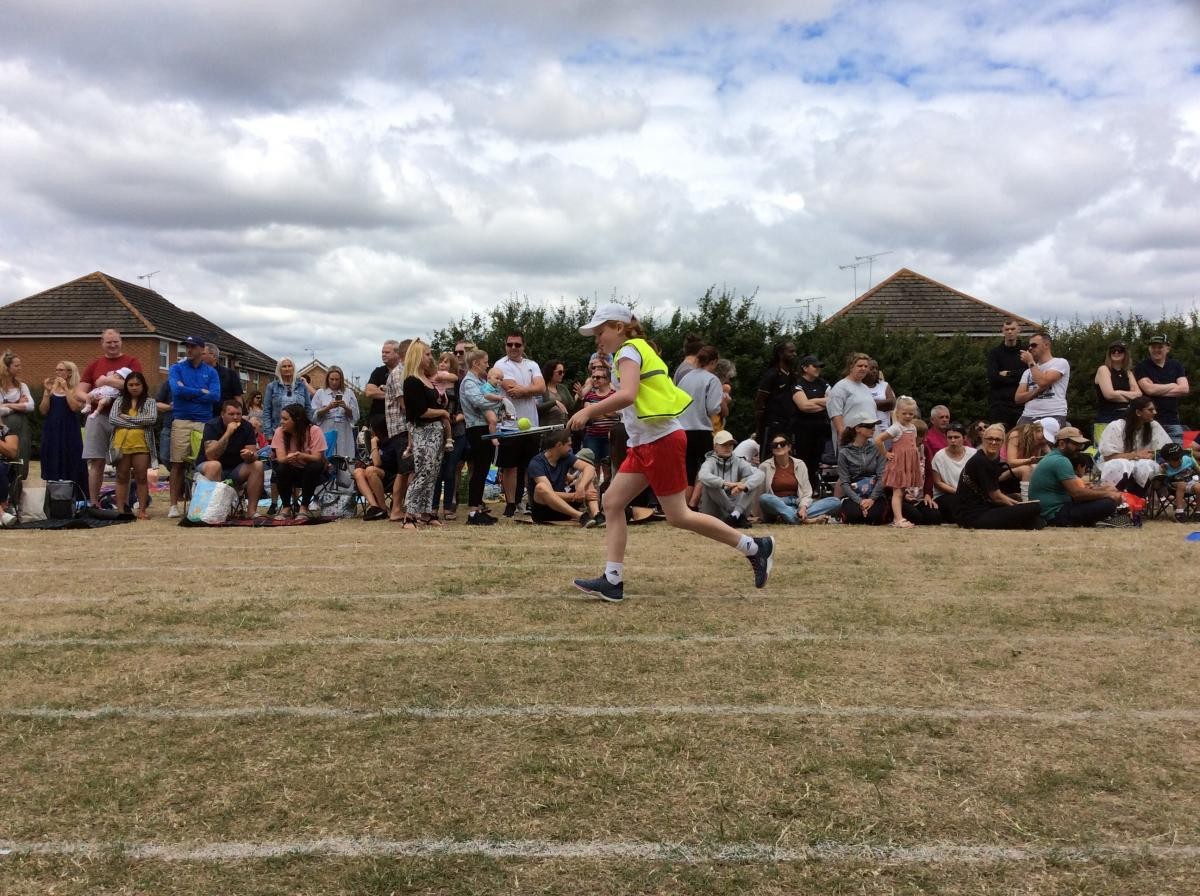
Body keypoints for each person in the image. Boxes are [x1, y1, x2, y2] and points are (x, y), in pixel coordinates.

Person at [569, 303, 775, 602]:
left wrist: (589, 411)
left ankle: (755, 547)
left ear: (619, 327)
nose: (597, 339)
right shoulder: (635, 350)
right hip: (645, 442)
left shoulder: (628, 352)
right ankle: (612, 580)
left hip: (660, 441)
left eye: (600, 332)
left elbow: (627, 395)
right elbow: (633, 400)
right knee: (612, 502)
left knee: (678, 515)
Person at [78, 329, 143, 506]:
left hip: (123, 418)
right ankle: (93, 503)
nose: (113, 345)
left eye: (116, 342)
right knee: (96, 461)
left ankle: (122, 504)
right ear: (102, 343)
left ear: (121, 341)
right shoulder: (94, 364)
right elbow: (79, 391)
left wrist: (106, 381)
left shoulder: (132, 362)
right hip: (98, 417)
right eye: (109, 342)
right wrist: (92, 398)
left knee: (123, 463)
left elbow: (135, 386)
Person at [166, 335, 220, 518]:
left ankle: (202, 503)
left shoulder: (211, 372)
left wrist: (187, 391)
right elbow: (176, 390)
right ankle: (173, 505)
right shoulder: (176, 368)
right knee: (177, 463)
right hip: (182, 420)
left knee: (205, 461)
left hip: (204, 421)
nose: (189, 350)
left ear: (202, 349)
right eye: (187, 346)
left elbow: (215, 396)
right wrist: (200, 392)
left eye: (193, 346)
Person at [400, 340, 450, 529]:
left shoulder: (428, 379)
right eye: (427, 354)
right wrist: (442, 412)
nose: (431, 357)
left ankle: (426, 512)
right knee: (423, 472)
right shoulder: (412, 381)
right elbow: (420, 411)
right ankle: (409, 514)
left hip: (436, 431)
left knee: (433, 473)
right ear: (417, 356)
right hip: (423, 431)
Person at [955, 424, 1043, 529]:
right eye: (990, 439)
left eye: (997, 440)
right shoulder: (980, 460)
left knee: (1031, 513)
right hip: (972, 514)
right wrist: (1019, 505)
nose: (993, 442)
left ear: (1002, 442)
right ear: (983, 439)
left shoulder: (992, 459)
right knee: (1034, 507)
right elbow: (996, 497)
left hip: (985, 506)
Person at [1029, 427, 1121, 526]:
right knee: (1108, 503)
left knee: (1107, 496)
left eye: (1081, 445)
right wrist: (1107, 494)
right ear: (1062, 444)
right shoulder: (1061, 461)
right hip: (1054, 513)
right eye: (1076, 444)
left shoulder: (1054, 457)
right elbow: (1077, 494)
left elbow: (1074, 491)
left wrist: (1103, 490)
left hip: (1053, 509)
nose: (1080, 448)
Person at [496, 330, 544, 516]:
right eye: (510, 344)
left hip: (531, 424)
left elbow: (542, 387)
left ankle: (529, 501)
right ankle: (510, 503)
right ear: (505, 345)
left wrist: (524, 390)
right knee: (510, 466)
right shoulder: (501, 364)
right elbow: (511, 389)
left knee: (530, 466)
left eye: (517, 344)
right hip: (509, 424)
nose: (513, 347)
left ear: (524, 346)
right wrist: (532, 389)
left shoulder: (532, 364)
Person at [677, 346, 726, 510]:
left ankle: (684, 507)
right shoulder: (712, 380)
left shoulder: (685, 378)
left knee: (688, 469)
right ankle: (693, 504)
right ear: (714, 361)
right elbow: (712, 408)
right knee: (706, 467)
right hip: (702, 428)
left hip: (682, 428)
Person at [200, 398, 266, 517]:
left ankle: (251, 512)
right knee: (215, 465)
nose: (235, 417)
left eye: (238, 414)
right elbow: (211, 456)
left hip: (235, 470)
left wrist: (249, 455)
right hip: (209, 468)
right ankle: (211, 512)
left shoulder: (247, 427)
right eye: (231, 414)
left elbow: (253, 454)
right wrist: (228, 433)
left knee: (257, 465)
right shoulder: (212, 425)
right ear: (222, 414)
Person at [757, 432, 839, 524]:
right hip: (777, 504)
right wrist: (757, 515)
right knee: (764, 498)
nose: (779, 446)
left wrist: (803, 508)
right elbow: (759, 493)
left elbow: (806, 492)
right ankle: (802, 518)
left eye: (782, 444)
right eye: (775, 445)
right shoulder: (765, 466)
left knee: (835, 501)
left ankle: (791, 517)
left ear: (789, 447)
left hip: (797, 502)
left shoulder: (800, 464)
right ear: (772, 449)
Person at [1095, 397, 1171, 493]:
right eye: (1150, 410)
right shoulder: (1116, 426)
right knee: (1122, 464)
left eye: (1154, 409)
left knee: (1147, 465)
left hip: (1142, 463)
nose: (1155, 412)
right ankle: (1119, 495)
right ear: (1138, 412)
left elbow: (1165, 449)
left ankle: (1141, 497)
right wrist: (1136, 455)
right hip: (1116, 463)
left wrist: (1153, 456)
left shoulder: (1153, 425)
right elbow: (1108, 457)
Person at [458, 348, 499, 526]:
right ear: (476, 363)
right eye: (485, 362)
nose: (488, 365)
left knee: (483, 469)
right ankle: (473, 512)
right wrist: (500, 400)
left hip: (484, 426)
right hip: (476, 428)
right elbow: (479, 401)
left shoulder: (480, 381)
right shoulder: (469, 382)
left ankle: (478, 508)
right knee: (479, 469)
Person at [108, 371, 157, 518]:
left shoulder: (150, 402)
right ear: (126, 386)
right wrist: (137, 423)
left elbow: (151, 419)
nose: (134, 387)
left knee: (141, 477)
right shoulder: (119, 401)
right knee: (121, 476)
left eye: (137, 384)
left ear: (143, 385)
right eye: (131, 385)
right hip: (121, 444)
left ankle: (142, 510)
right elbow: (112, 419)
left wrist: (127, 418)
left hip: (142, 444)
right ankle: (121, 510)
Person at [527, 428, 600, 525]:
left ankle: (597, 515)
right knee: (541, 487)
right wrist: (575, 496)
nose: (570, 448)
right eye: (569, 445)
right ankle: (580, 516)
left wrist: (581, 487)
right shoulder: (536, 463)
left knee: (586, 477)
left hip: (565, 508)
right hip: (545, 511)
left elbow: (589, 468)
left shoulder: (566, 456)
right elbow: (549, 493)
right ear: (559, 445)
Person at [39, 361, 87, 499]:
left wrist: (66, 389)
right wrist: (47, 392)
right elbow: (43, 410)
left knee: (71, 458)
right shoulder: (52, 388)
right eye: (56, 370)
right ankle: (54, 496)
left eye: (61, 370)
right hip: (52, 429)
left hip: (69, 429)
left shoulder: (77, 389)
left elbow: (75, 407)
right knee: (52, 457)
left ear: (69, 373)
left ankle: (76, 495)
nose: (57, 373)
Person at [696, 430, 765, 527]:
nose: (728, 447)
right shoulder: (709, 462)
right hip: (715, 512)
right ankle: (736, 515)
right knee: (710, 483)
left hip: (737, 506)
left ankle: (735, 515)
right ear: (715, 447)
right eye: (724, 445)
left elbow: (760, 474)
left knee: (751, 482)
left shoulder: (738, 461)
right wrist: (726, 483)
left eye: (730, 444)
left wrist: (745, 486)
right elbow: (703, 475)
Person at [270, 403, 327, 519]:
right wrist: (288, 458)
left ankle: (304, 507)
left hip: (312, 473)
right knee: (281, 468)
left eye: (285, 419)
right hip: (292, 470)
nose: (281, 422)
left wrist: (301, 456)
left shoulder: (314, 430)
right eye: (281, 418)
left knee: (314, 466)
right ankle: (286, 507)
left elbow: (317, 457)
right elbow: (281, 458)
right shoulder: (279, 431)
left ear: (297, 420)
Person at [874, 396, 923, 528]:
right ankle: (898, 519)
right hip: (899, 465)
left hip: (908, 464)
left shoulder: (913, 427)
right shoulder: (896, 428)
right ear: (898, 413)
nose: (908, 416)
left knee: (901, 492)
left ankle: (898, 517)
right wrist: (886, 453)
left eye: (911, 414)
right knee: (898, 492)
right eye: (904, 413)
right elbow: (878, 440)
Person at [431, 352, 467, 520]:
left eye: (447, 362)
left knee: (451, 469)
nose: (442, 364)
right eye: (441, 361)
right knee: (437, 470)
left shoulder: (458, 384)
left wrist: (455, 418)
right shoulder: (433, 383)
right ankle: (433, 507)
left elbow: (465, 408)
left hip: (456, 431)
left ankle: (448, 508)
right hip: (437, 430)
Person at [1135, 335, 1190, 444]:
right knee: (1152, 451)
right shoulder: (1141, 367)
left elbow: (1184, 389)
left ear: (1167, 348)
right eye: (1153, 347)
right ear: (1149, 349)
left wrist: (1157, 389)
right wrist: (1173, 385)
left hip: (1172, 420)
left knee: (1178, 451)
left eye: (1160, 347)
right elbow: (1150, 390)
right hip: (1149, 421)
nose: (1156, 350)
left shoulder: (1176, 365)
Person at [837, 410, 887, 524]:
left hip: (875, 494)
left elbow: (882, 476)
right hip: (854, 495)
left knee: (873, 516)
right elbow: (844, 482)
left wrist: (872, 499)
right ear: (857, 428)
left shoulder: (878, 448)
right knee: (854, 516)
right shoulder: (844, 453)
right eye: (869, 426)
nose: (873, 428)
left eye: (874, 425)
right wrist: (860, 501)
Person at [791, 354, 829, 494]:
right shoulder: (798, 384)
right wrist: (823, 403)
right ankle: (803, 490)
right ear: (805, 368)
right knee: (803, 461)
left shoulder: (823, 383)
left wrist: (813, 401)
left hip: (821, 429)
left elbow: (833, 401)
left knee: (816, 460)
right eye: (815, 366)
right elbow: (804, 406)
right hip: (803, 430)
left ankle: (814, 489)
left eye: (819, 366)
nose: (818, 369)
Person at [1015, 332, 1070, 426]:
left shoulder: (1060, 363)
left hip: (1053, 414)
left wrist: (1030, 361)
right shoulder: (1028, 372)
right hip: (1028, 415)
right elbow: (1018, 398)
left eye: (1034, 345)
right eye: (1029, 346)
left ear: (1046, 345)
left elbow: (1043, 382)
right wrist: (1038, 390)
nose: (1030, 348)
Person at [579, 358, 619, 489]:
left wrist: (596, 410)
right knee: (592, 468)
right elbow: (588, 414)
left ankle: (606, 493)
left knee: (608, 468)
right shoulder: (589, 395)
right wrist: (606, 411)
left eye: (598, 377)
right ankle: (594, 495)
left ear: (607, 379)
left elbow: (616, 412)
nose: (595, 379)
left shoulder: (615, 394)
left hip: (610, 437)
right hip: (593, 436)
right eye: (593, 377)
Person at [352, 417, 400, 521]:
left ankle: (383, 508)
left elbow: (377, 463)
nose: (370, 431)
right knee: (358, 472)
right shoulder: (379, 441)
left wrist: (373, 444)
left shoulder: (391, 442)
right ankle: (375, 507)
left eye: (372, 428)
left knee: (371, 470)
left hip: (392, 476)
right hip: (378, 475)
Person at [826, 353, 876, 451]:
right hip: (851, 441)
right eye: (860, 366)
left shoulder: (865, 388)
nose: (863, 368)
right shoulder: (840, 387)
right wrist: (844, 436)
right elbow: (835, 413)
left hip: (869, 441)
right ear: (851, 367)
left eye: (866, 366)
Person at [930, 423, 975, 524]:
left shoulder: (973, 454)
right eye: (950, 437)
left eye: (956, 437)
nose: (953, 440)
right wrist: (959, 492)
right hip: (946, 495)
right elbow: (937, 482)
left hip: (968, 494)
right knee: (956, 503)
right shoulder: (939, 456)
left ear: (964, 438)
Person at [754, 341, 797, 447]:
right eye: (791, 352)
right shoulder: (771, 374)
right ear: (780, 354)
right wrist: (759, 429)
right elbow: (760, 402)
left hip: (788, 423)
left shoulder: (792, 374)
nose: (794, 354)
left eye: (795, 351)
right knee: (771, 453)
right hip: (772, 424)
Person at [311, 366, 360, 458]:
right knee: (328, 454)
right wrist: (328, 408)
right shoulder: (320, 393)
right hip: (326, 428)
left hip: (343, 429)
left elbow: (355, 416)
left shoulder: (348, 393)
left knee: (344, 454)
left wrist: (345, 407)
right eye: (332, 379)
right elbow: (313, 416)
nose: (334, 382)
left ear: (341, 379)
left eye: (337, 379)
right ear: (327, 379)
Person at [985, 320, 1025, 429]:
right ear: (1002, 331)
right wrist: (1018, 377)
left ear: (1018, 330)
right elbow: (993, 379)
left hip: (1021, 406)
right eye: (1007, 329)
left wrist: (1008, 373)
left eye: (1012, 329)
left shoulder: (1025, 353)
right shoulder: (994, 353)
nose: (1010, 332)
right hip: (999, 405)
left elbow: (1029, 375)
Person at [1093, 340, 1141, 426]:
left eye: (1120, 350)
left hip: (1126, 417)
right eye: (1113, 350)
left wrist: (1119, 392)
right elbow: (1109, 395)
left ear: (1125, 353)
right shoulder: (1104, 369)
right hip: (1106, 418)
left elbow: (1138, 395)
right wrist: (1130, 398)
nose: (1116, 352)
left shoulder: (1128, 373)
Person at [0, 352, 34, 472]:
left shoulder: (22, 386)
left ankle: (19, 481)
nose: (20, 368)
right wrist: (18, 404)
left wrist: (8, 404)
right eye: (16, 366)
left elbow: (30, 406)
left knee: (22, 454)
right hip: (2, 427)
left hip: (21, 428)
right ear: (6, 368)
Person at [264, 357, 311, 440]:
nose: (287, 368)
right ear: (279, 369)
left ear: (293, 368)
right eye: (284, 366)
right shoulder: (272, 387)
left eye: (289, 366)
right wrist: (268, 433)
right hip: (278, 430)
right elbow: (267, 411)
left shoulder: (302, 385)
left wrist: (309, 428)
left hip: (299, 431)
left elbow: (308, 408)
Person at [364, 340, 403, 433]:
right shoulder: (378, 371)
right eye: (382, 352)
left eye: (387, 352)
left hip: (400, 420)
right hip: (379, 419)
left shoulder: (404, 372)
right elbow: (369, 392)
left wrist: (382, 389)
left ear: (397, 354)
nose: (383, 355)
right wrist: (396, 394)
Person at [1160, 442, 1199, 522]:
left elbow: (1198, 469)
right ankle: (1179, 512)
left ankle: (1198, 512)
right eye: (1176, 459)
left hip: (1190, 482)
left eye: (1180, 456)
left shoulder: (1187, 459)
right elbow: (1161, 480)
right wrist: (1161, 470)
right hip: (1173, 485)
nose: (1180, 459)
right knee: (1181, 485)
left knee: (1198, 487)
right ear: (1167, 460)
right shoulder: (1165, 467)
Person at [203, 343, 243, 417]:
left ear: (214, 356)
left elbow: (238, 397)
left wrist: (239, 415)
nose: (200, 356)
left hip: (223, 417)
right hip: (201, 415)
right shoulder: (196, 373)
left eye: (203, 354)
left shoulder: (230, 374)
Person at [1005, 420, 1048, 484]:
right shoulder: (1016, 435)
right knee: (1027, 469)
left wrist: (1047, 450)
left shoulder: (1039, 441)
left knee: (1039, 468)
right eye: (1043, 437)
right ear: (1036, 430)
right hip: (1004, 468)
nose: (1044, 440)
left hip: (1020, 468)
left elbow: (1035, 462)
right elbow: (1011, 462)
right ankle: (1026, 491)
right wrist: (1028, 461)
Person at [537, 359, 576, 429]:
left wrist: (580, 398)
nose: (562, 374)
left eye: (563, 372)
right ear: (550, 372)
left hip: (564, 427)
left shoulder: (563, 388)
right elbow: (537, 409)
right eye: (560, 372)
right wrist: (554, 402)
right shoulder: (541, 388)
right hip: (548, 429)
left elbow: (572, 408)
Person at [863, 360, 895, 434]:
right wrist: (883, 405)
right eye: (871, 368)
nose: (875, 371)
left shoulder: (884, 385)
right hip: (866, 430)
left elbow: (892, 404)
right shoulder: (859, 386)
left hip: (884, 429)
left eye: (876, 369)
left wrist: (869, 404)